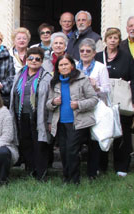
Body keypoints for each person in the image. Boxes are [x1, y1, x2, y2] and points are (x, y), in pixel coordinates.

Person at [94, 27, 134, 177]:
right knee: (102, 130)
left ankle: (121, 167)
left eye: (115, 38)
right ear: (105, 40)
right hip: (102, 100)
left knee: (123, 132)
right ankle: (101, 165)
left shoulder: (126, 57)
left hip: (121, 100)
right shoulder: (98, 56)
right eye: (110, 38)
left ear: (118, 40)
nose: (112, 40)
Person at [46, 54, 98, 184]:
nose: (64, 67)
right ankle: (66, 177)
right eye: (61, 65)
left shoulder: (82, 79)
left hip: (77, 122)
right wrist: (53, 102)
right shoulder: (54, 83)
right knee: (63, 151)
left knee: (72, 151)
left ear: (72, 66)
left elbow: (94, 99)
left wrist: (79, 104)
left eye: (66, 64)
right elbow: (48, 104)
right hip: (60, 122)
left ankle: (74, 180)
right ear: (57, 69)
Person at [9, 47, 52, 180]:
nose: (34, 61)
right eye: (30, 58)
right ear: (25, 60)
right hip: (21, 114)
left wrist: (49, 120)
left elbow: (50, 99)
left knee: (39, 144)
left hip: (39, 116)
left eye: (37, 59)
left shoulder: (46, 77)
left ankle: (41, 173)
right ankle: (30, 170)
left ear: (42, 61)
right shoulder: (20, 74)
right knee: (25, 142)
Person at [76, 38, 110, 179]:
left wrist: (96, 87)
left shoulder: (100, 67)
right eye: (82, 51)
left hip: (96, 108)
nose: (84, 53)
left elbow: (107, 89)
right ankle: (76, 170)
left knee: (94, 140)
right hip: (79, 108)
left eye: (88, 51)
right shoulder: (76, 66)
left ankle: (93, 171)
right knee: (78, 139)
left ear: (94, 53)